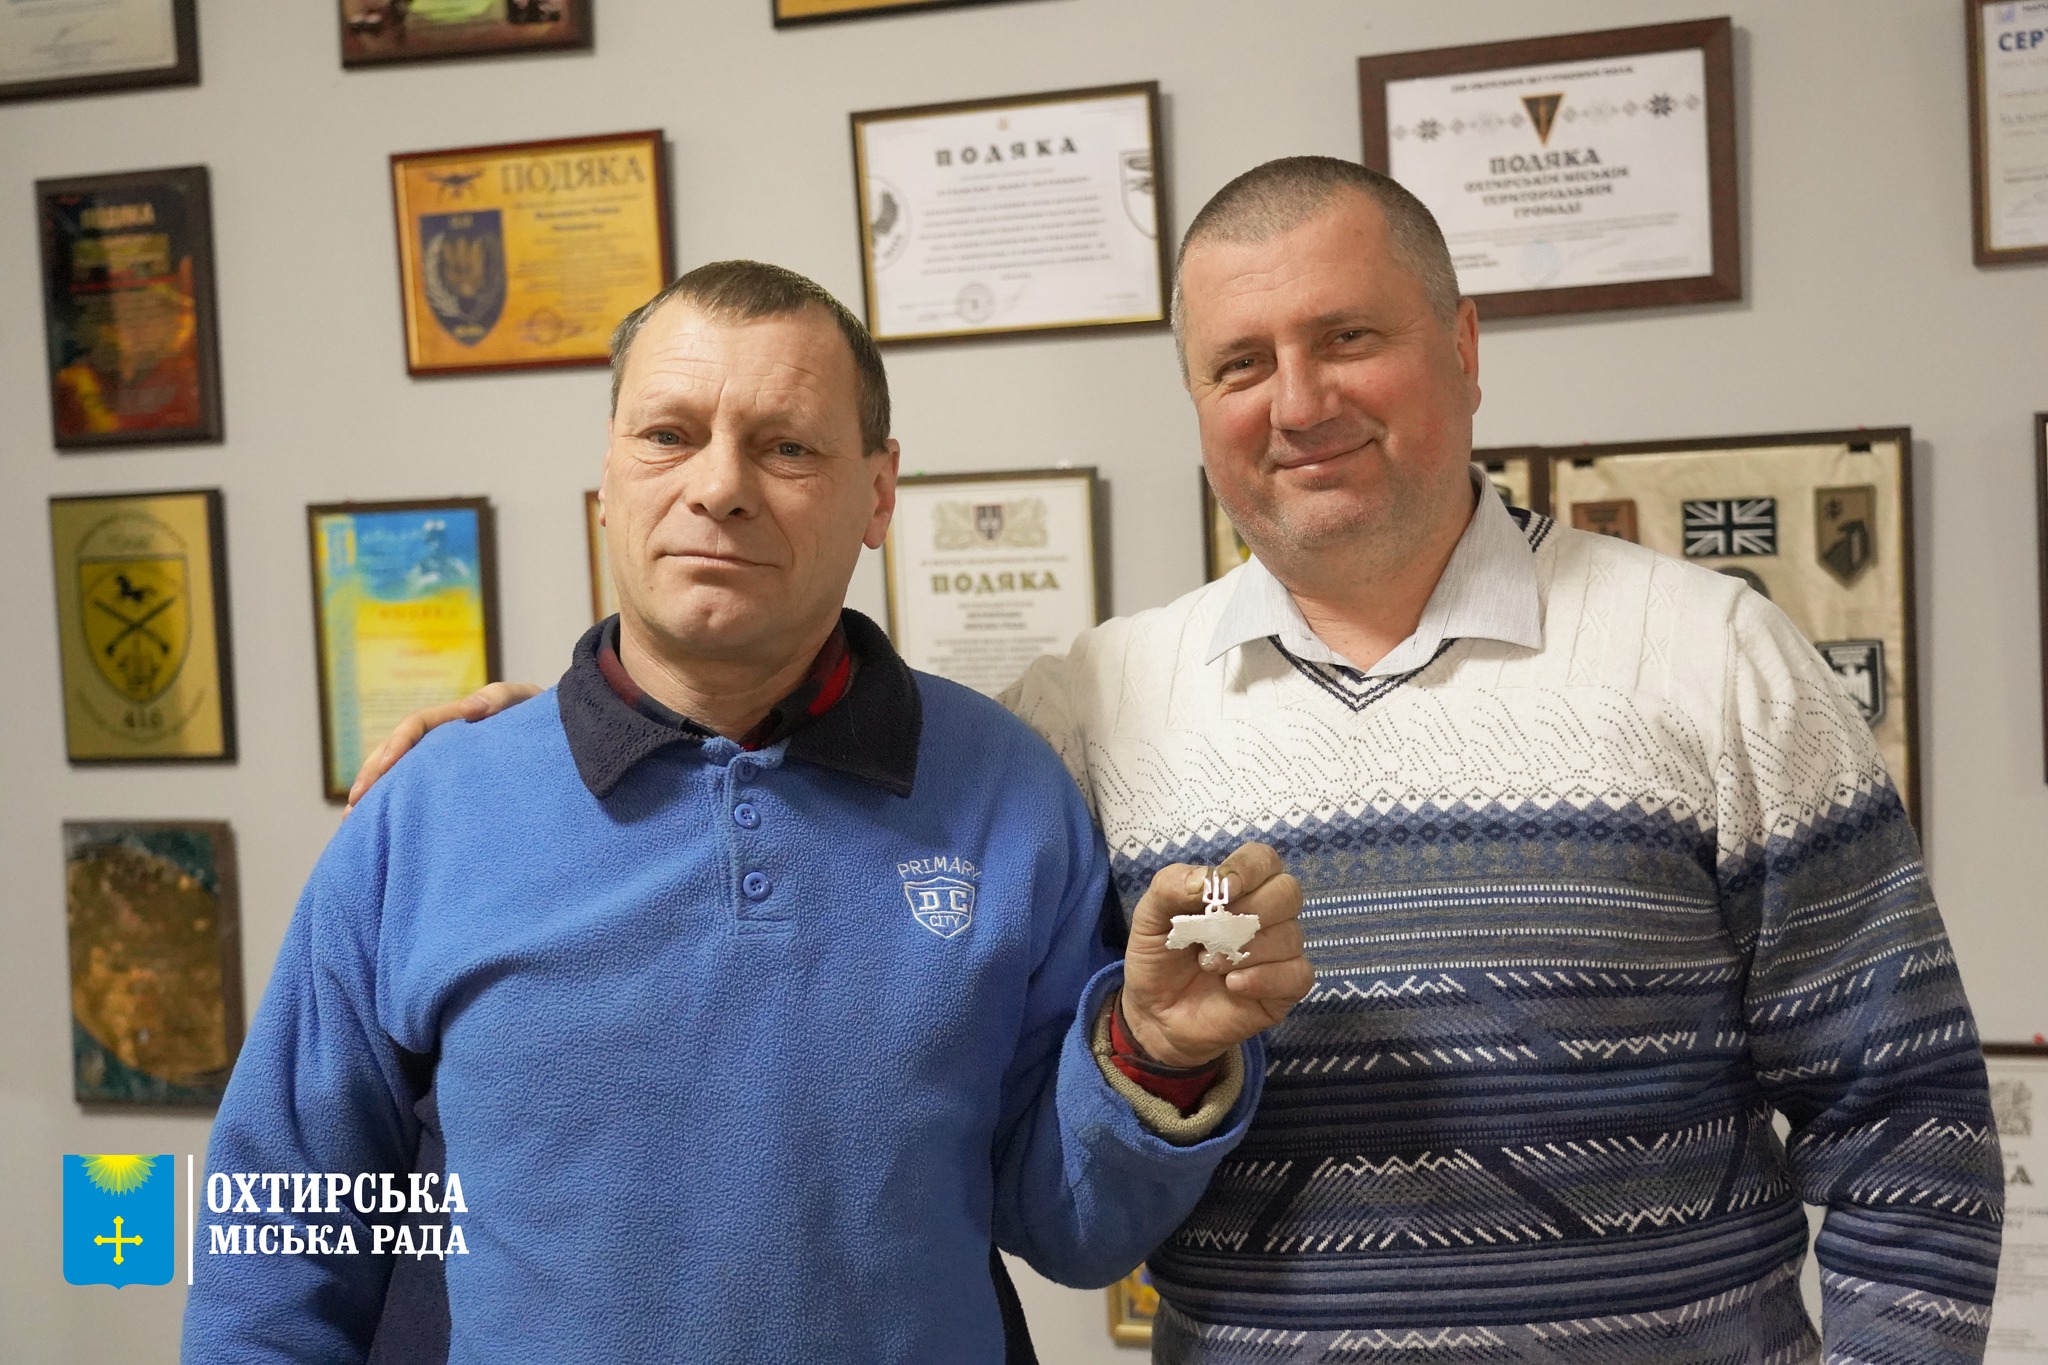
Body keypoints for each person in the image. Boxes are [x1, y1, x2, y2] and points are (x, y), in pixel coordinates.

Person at [356, 161, 2003, 1363]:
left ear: (1462, 345)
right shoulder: (1084, 713)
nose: (1297, 401)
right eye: (1238, 364)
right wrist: (540, 748)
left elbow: (1902, 1114)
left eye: (1346, 337)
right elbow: (791, 781)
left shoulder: (1711, 659)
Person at [185, 260, 1315, 1364]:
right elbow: (280, 1235)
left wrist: (1154, 1055)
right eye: (668, 436)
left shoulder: (1007, 793)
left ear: (878, 493)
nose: (718, 487)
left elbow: (1073, 1228)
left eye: (786, 448)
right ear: (608, 479)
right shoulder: (429, 814)